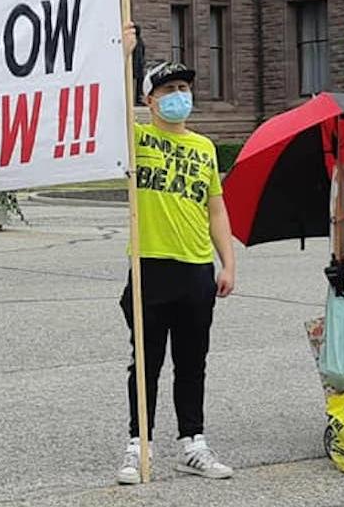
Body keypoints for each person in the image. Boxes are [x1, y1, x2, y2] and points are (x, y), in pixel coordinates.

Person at [115, 24, 237, 485]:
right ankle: (138, 444)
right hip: (150, 266)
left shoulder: (204, 147)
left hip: (196, 268)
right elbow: (106, 108)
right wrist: (125, 59)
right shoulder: (137, 138)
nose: (178, 96)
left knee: (193, 360)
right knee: (145, 362)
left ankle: (193, 442)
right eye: (168, 89)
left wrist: (228, 262)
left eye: (184, 88)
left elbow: (216, 207)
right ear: (150, 100)